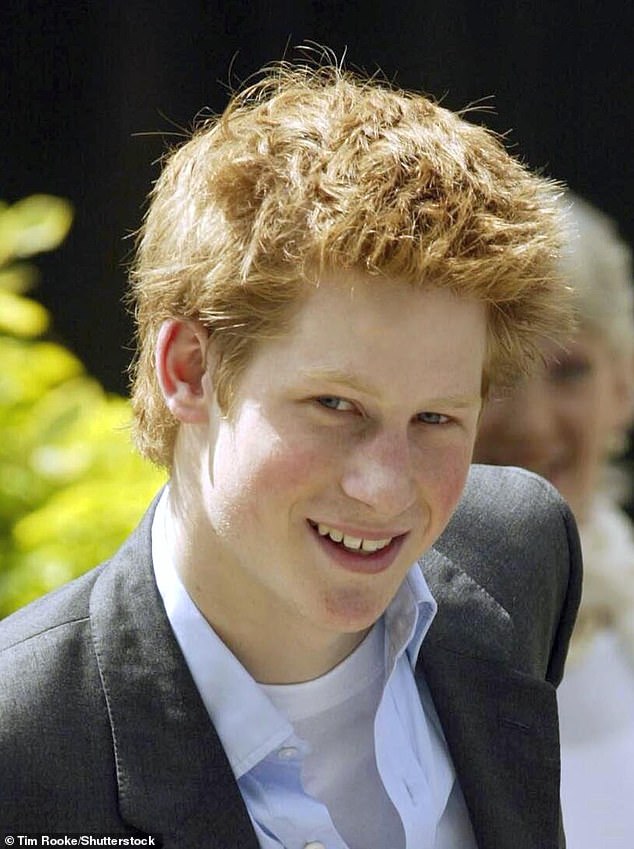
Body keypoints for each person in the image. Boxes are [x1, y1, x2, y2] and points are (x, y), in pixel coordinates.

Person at [0, 61, 581, 849]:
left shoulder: (520, 551)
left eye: (437, 418)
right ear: (189, 370)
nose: (384, 487)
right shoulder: (23, 745)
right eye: (335, 405)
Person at [474, 193, 634, 848]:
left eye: (569, 371)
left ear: (623, 387)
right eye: (498, 375)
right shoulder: (370, 630)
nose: (535, 427)